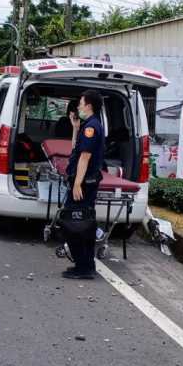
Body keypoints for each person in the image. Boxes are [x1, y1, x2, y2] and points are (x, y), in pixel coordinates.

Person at [62, 90, 104, 280]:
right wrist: (75, 128)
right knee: (81, 222)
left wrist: (77, 183)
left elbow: (85, 157)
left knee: (77, 223)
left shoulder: (92, 127)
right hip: (83, 181)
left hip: (84, 184)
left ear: (89, 105)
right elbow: (76, 151)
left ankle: (84, 267)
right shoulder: (86, 126)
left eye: (80, 103)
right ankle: (84, 264)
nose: (78, 107)